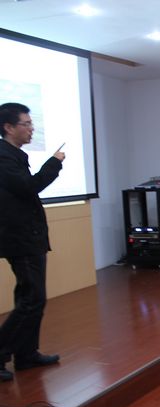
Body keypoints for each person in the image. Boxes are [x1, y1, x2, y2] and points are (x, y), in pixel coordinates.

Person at [0, 103, 65, 382]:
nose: (31, 129)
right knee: (32, 299)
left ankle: (26, 354)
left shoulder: (14, 154)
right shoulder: (3, 157)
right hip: (20, 238)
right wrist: (54, 163)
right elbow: (29, 187)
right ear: (8, 127)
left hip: (30, 236)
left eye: (31, 123)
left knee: (30, 297)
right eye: (26, 124)